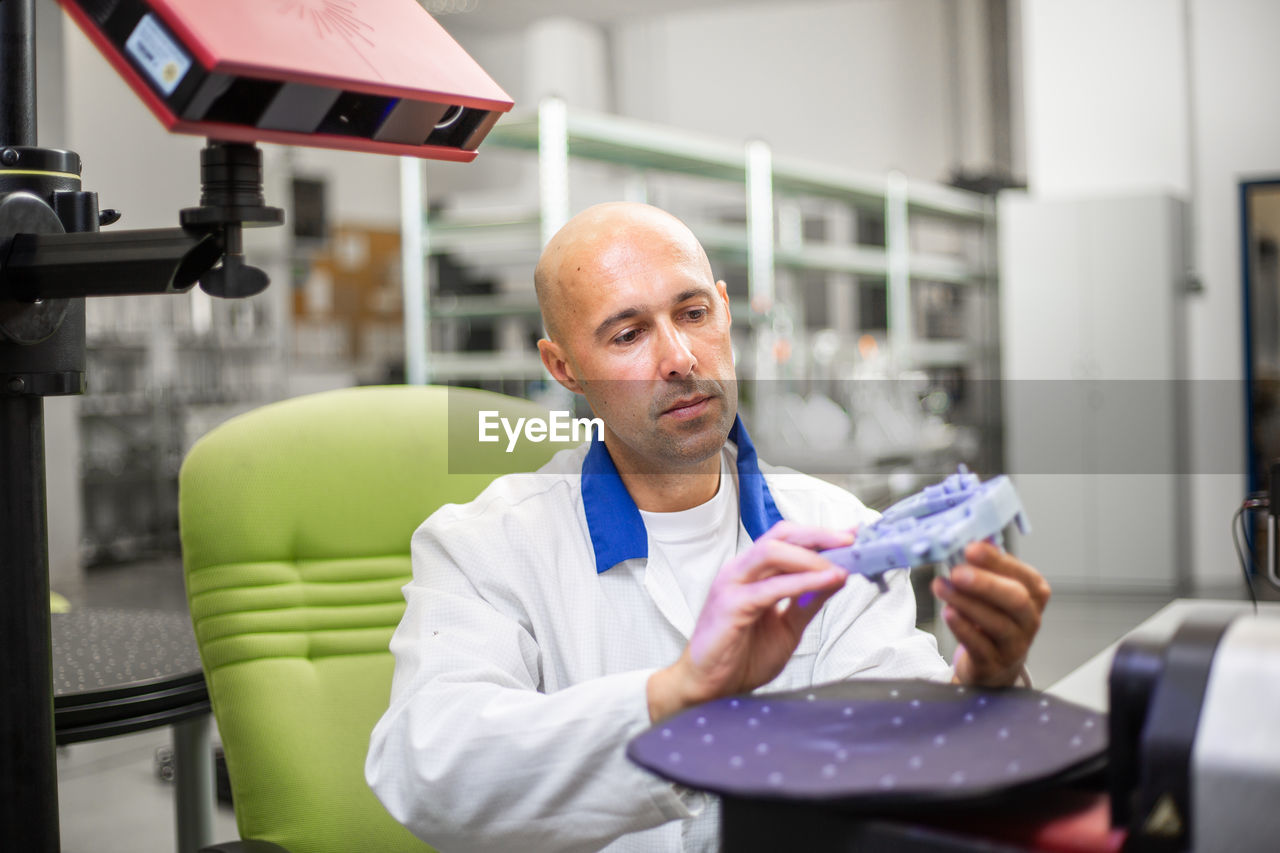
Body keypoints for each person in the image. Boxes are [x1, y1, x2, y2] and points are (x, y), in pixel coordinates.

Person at [365, 203, 1051, 853]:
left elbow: (902, 759)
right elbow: (426, 769)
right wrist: (677, 694)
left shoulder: (834, 525)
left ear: (723, 310)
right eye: (629, 333)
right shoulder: (487, 544)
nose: (680, 358)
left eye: (692, 313)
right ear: (563, 367)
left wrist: (985, 684)